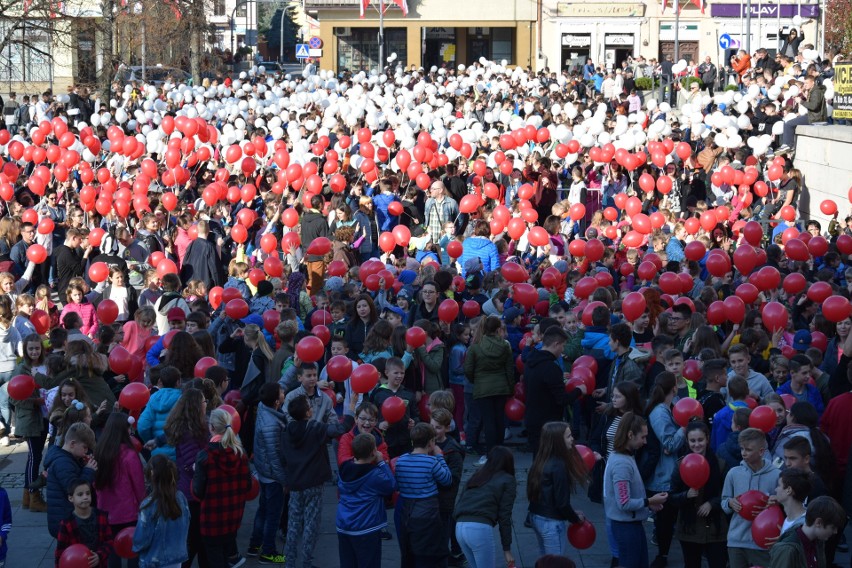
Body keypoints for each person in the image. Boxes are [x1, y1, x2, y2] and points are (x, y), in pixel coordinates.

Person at [283, 394, 353, 568]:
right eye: (309, 406)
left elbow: (283, 457)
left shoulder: (286, 430)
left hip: (295, 483)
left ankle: (289, 562)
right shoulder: (314, 427)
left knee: (293, 524)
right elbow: (340, 429)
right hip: (313, 482)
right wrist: (351, 411)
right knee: (311, 524)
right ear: (307, 413)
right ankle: (306, 562)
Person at [603, 412, 669, 568]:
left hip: (631, 525)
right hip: (626, 527)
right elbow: (624, 503)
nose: (645, 442)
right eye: (643, 437)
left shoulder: (622, 457)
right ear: (630, 435)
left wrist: (648, 504)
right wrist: (649, 501)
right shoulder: (622, 464)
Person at [191, 407, 252, 568]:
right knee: (225, 556)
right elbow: (247, 486)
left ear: (211, 428)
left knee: (214, 559)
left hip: (212, 520)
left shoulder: (204, 457)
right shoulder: (241, 453)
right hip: (233, 516)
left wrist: (195, 474)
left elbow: (197, 491)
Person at [668, 422, 728, 568]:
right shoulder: (681, 465)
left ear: (707, 439)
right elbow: (671, 497)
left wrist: (712, 503)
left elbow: (728, 495)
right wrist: (686, 495)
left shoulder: (720, 464)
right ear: (687, 441)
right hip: (689, 529)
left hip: (715, 529)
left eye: (700, 440)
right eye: (692, 441)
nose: (696, 444)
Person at [394, 422, 453, 567]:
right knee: (428, 551)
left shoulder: (400, 461)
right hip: (428, 513)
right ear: (431, 442)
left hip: (407, 511)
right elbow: (447, 479)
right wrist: (439, 456)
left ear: (413, 441)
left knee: (410, 550)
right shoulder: (431, 461)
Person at [162, 388, 210, 568]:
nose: (206, 404)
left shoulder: (194, 427)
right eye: (204, 401)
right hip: (192, 494)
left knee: (198, 541)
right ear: (196, 406)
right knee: (194, 541)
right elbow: (193, 465)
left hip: (193, 491)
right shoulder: (189, 432)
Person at [721, 427, 781, 568]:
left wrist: (776, 502)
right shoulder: (733, 474)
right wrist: (730, 503)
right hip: (736, 541)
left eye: (748, 450)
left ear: (761, 451)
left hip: (764, 542)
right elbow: (724, 500)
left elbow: (784, 507)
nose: (743, 453)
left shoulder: (776, 475)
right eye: (742, 448)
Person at [527, 422, 588, 558]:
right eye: (568, 436)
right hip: (551, 522)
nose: (572, 439)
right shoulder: (559, 465)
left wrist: (571, 513)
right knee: (555, 561)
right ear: (558, 441)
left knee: (545, 560)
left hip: (537, 516)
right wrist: (575, 519)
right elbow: (562, 502)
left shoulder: (541, 459)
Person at [335, 433, 397, 568]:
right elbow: (391, 485)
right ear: (374, 452)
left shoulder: (344, 469)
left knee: (348, 563)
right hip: (366, 528)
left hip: (344, 526)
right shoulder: (374, 474)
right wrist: (381, 463)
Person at [644, 372, 686, 568]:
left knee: (667, 518)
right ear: (674, 388)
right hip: (664, 475)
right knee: (665, 520)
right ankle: (662, 555)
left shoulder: (667, 408)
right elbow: (669, 444)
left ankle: (663, 553)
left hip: (668, 474)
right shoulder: (660, 412)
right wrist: (684, 428)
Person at [93, 412, 145, 568]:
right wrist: (143, 505)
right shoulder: (129, 455)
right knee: (133, 550)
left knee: (111, 551)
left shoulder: (100, 452)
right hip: (128, 512)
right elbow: (139, 485)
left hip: (106, 511)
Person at [524, 327, 586, 457]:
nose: (563, 350)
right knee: (548, 461)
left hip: (532, 418)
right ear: (556, 344)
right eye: (563, 346)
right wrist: (578, 390)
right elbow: (562, 399)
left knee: (538, 460)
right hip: (548, 424)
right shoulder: (551, 367)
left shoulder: (531, 361)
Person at [453, 446, 517, 568]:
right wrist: (507, 549)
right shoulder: (508, 480)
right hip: (478, 529)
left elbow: (460, 501)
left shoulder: (477, 475)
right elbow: (505, 516)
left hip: (460, 528)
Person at [464, 316, 515, 460]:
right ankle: (500, 451)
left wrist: (476, 380)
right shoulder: (505, 345)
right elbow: (509, 369)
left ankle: (491, 452)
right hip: (501, 387)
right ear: (498, 329)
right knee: (499, 420)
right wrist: (510, 387)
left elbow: (468, 369)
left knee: (488, 420)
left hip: (482, 387)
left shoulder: (475, 346)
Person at [247, 383, 288, 564]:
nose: (283, 391)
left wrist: (294, 366)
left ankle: (254, 545)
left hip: (263, 472)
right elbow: (275, 458)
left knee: (262, 510)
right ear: (276, 400)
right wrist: (284, 480)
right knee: (273, 515)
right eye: (281, 392)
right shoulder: (272, 425)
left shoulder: (264, 407)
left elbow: (281, 384)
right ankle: (268, 552)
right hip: (272, 477)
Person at [132, 455, 192, 568]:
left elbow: (141, 540)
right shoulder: (181, 498)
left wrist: (134, 545)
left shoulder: (148, 505)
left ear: (151, 474)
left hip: (153, 561)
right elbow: (186, 525)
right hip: (176, 559)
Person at [45, 422, 98, 538]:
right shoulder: (63, 463)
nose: (86, 451)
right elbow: (74, 489)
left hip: (67, 518)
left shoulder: (69, 458)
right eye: (85, 447)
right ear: (72, 444)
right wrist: (88, 470)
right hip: (66, 521)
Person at [769, 495, 846, 568]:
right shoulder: (787, 550)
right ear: (818, 522)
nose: (835, 532)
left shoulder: (818, 541)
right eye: (833, 527)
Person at [55, 479, 114, 567]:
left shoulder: (101, 516)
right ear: (71, 498)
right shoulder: (67, 523)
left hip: (99, 564)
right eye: (80, 494)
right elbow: (60, 552)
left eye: (88, 493)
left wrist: (99, 555)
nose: (85, 497)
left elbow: (109, 541)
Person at [137, 366, 182, 460]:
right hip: (179, 452)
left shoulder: (153, 398)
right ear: (178, 382)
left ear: (160, 381)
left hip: (158, 452)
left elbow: (142, 425)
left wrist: (151, 440)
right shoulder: (183, 398)